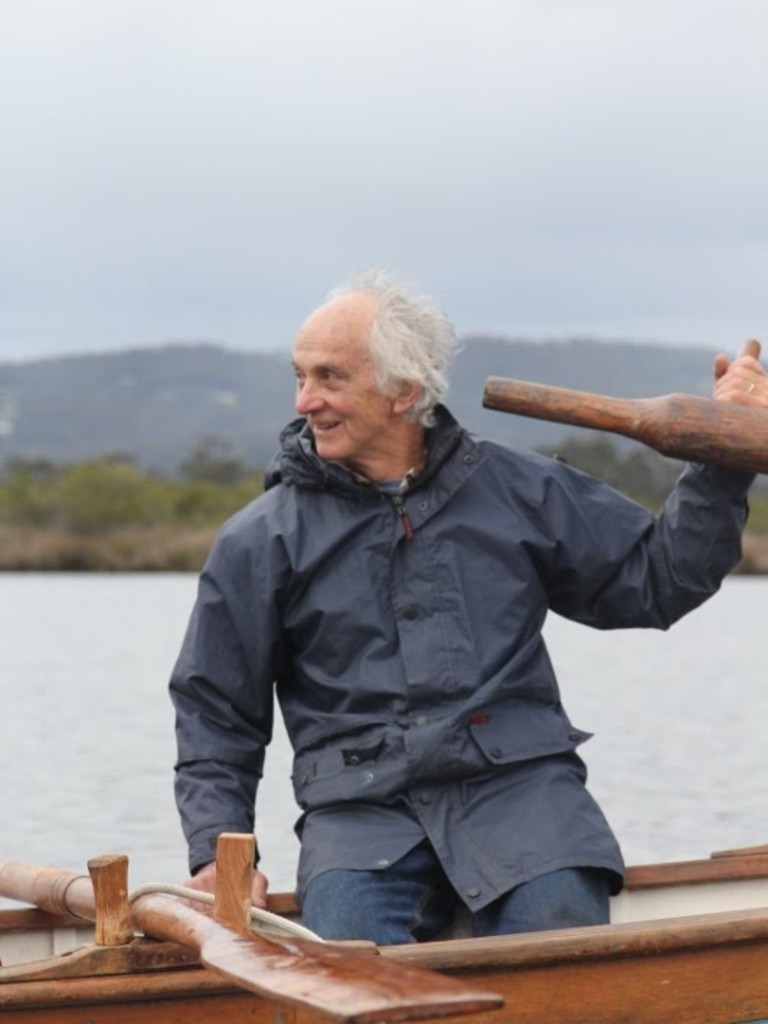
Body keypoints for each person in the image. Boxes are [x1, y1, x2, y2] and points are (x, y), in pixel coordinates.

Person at [170, 269, 768, 944]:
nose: (305, 401)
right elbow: (217, 714)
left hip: (526, 800)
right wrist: (221, 854)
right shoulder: (259, 539)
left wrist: (724, 452)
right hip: (358, 818)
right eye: (300, 376)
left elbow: (657, 579)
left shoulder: (519, 490)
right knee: (344, 967)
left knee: (561, 955)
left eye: (330, 378)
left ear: (405, 391)